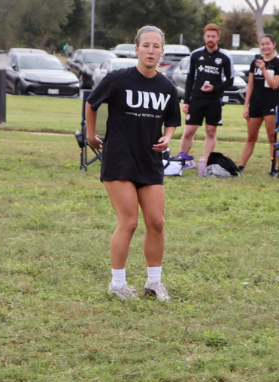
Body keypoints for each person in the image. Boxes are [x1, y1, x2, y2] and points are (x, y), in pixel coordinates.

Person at [86, 26, 181, 301]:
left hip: (149, 161)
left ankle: (154, 283)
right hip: (119, 159)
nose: (151, 50)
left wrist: (168, 137)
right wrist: (91, 136)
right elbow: (92, 104)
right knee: (128, 222)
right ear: (136, 49)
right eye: (146, 45)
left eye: (156, 46)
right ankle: (117, 285)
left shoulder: (167, 87)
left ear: (162, 52)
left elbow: (172, 122)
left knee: (157, 222)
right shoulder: (117, 79)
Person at [172, 24, 234, 169]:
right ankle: (183, 160)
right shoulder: (195, 54)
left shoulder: (225, 57)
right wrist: (186, 101)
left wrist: (215, 88)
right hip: (196, 99)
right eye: (208, 36)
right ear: (204, 36)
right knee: (188, 131)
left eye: (213, 36)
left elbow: (230, 80)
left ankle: (206, 163)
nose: (210, 39)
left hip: (214, 100)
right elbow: (190, 79)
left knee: (210, 132)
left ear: (218, 37)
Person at [238, 34, 279, 173]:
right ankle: (240, 167)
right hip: (256, 104)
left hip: (271, 104)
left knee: (272, 137)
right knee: (251, 137)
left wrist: (264, 70)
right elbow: (250, 85)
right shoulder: (255, 62)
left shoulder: (278, 63)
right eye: (262, 44)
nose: (265, 46)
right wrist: (246, 106)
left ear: (273, 45)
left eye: (267, 44)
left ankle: (273, 168)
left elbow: (274, 85)